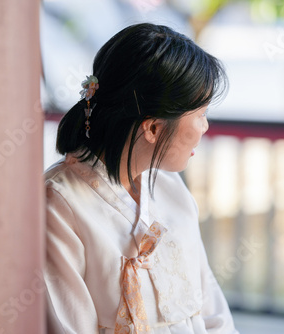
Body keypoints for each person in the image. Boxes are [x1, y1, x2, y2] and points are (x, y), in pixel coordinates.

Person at [43, 23, 239, 334]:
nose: (205, 128)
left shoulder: (170, 189)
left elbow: (214, 316)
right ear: (153, 129)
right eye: (200, 114)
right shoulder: (58, 205)